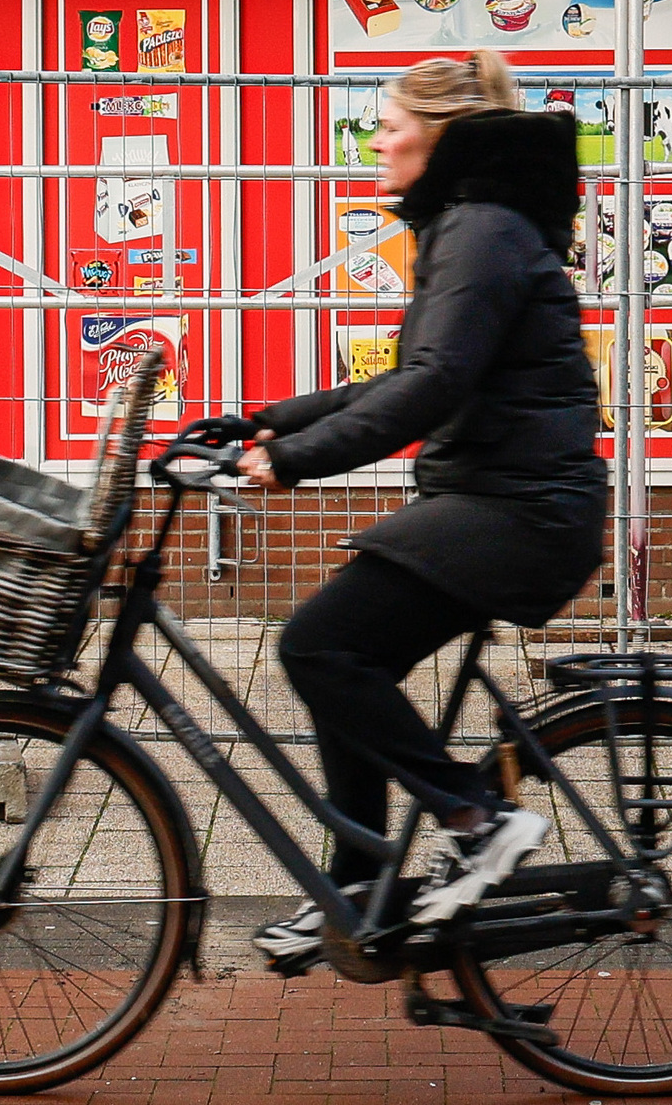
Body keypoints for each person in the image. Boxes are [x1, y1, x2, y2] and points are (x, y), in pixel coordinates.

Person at [217, 51, 608, 966]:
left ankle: (478, 818)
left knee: (320, 646)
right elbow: (406, 377)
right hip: (503, 500)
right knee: (345, 663)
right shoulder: (473, 225)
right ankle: (360, 887)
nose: (377, 142)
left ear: (439, 136)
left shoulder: (481, 229)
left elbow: (432, 387)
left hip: (522, 511)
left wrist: (292, 462)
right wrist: (265, 422)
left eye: (390, 125)